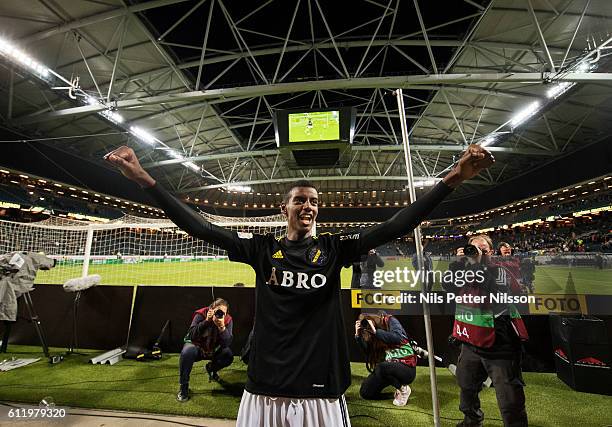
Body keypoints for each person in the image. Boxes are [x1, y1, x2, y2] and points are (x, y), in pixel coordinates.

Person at [105, 143, 493, 427]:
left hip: (320, 389)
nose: (308, 206)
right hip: (265, 386)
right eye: (300, 200)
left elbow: (396, 225)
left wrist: (452, 180)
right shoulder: (260, 249)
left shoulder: (334, 249)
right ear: (284, 208)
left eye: (314, 202)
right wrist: (143, 179)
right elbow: (201, 227)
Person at [443, 235, 529, 427]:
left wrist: (476, 264)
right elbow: (447, 287)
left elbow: (496, 290)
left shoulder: (500, 270)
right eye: (472, 248)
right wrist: (457, 265)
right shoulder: (463, 270)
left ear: (490, 252)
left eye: (482, 249)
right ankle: (471, 421)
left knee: (509, 398)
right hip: (471, 341)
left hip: (500, 343)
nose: (476, 252)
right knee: (466, 386)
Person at [354, 313, 417, 407]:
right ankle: (395, 394)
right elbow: (368, 352)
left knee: (381, 367)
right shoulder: (371, 332)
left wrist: (376, 332)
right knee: (365, 393)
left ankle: (404, 390)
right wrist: (358, 336)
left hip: (407, 368)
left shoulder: (390, 320)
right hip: (388, 369)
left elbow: (397, 338)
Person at [178, 298, 233, 402]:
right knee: (187, 352)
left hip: (214, 349)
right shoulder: (201, 315)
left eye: (222, 313)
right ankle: (183, 387)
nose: (219, 314)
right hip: (197, 348)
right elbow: (191, 335)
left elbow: (227, 343)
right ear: (211, 309)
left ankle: (211, 368)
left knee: (228, 355)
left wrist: (222, 328)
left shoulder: (227, 320)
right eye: (217, 311)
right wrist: (206, 321)